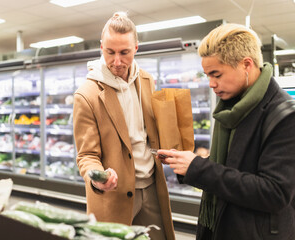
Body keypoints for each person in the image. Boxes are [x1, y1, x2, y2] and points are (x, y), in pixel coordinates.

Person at [157, 23, 295, 240]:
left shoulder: (284, 116)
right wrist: (185, 165)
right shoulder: (232, 107)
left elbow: (274, 193)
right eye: (207, 75)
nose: (211, 84)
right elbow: (235, 164)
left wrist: (198, 168)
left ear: (246, 65)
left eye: (216, 74)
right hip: (221, 226)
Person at [73, 11, 175, 240]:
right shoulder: (86, 95)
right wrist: (97, 177)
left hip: (151, 187)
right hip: (113, 196)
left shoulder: (147, 81)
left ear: (136, 48)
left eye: (124, 53)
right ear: (101, 47)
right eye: (110, 52)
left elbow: (151, 135)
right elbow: (86, 155)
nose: (117, 61)